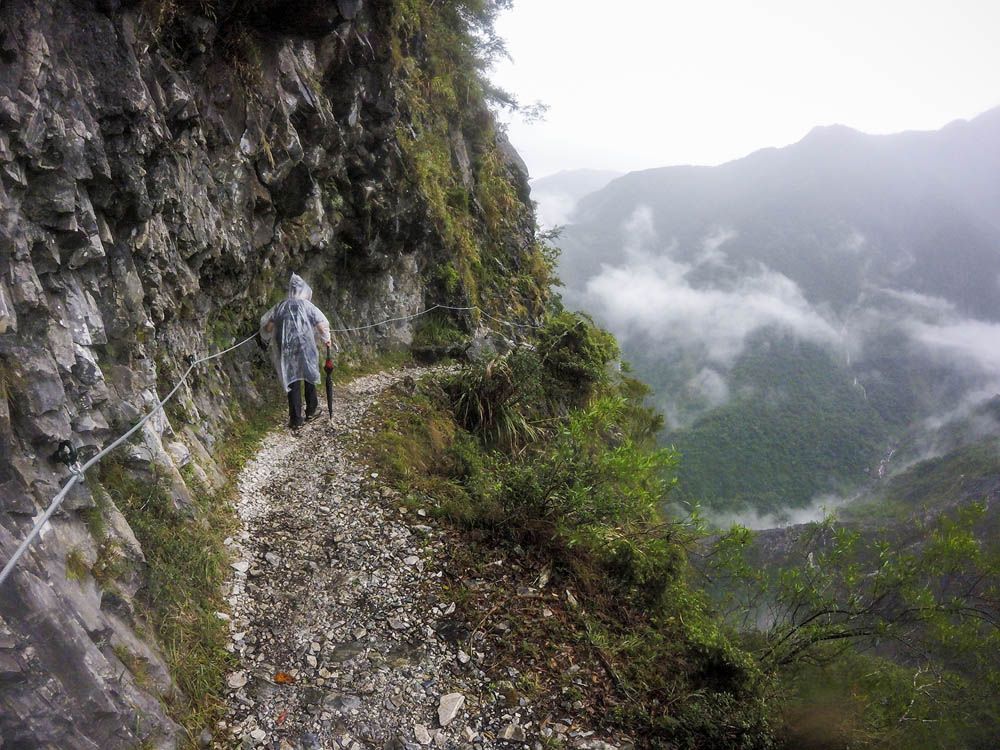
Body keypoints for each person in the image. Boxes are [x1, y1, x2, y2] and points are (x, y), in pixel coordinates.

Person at [260, 273, 336, 429]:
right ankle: (312, 410)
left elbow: (268, 327)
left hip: (287, 349)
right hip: (305, 347)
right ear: (303, 291)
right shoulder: (308, 306)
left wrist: (267, 337)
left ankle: (295, 419)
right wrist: (326, 339)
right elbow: (322, 326)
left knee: (292, 378)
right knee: (308, 375)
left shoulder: (281, 305)